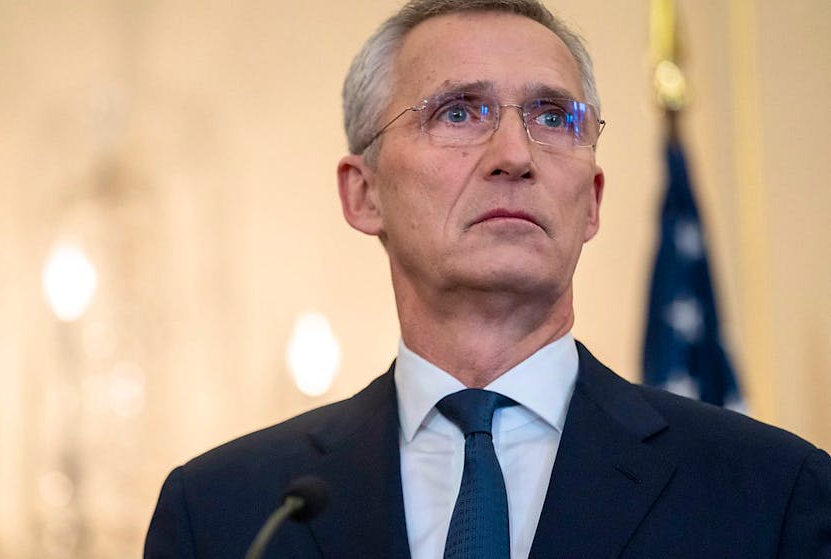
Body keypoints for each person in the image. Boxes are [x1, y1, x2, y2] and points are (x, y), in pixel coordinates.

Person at [144, 0, 831, 557]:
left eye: (553, 117)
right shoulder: (226, 514)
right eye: (459, 111)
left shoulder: (772, 493)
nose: (513, 154)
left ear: (591, 200)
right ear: (364, 194)